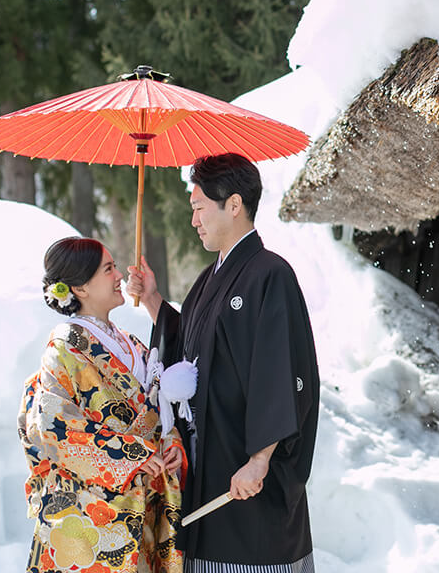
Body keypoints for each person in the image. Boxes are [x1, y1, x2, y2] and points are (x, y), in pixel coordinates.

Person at [127, 153, 320, 573]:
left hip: (248, 474)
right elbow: (191, 349)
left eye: (198, 208)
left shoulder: (271, 275)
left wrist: (261, 457)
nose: (194, 220)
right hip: (210, 467)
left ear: (233, 205)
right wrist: (153, 300)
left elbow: (280, 371)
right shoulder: (207, 279)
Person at [19, 237, 185, 573]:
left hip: (145, 503)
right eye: (108, 269)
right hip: (92, 511)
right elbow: (51, 426)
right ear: (79, 287)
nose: (119, 276)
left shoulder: (132, 343)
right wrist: (131, 455)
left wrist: (170, 444)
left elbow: (161, 413)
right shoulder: (64, 348)